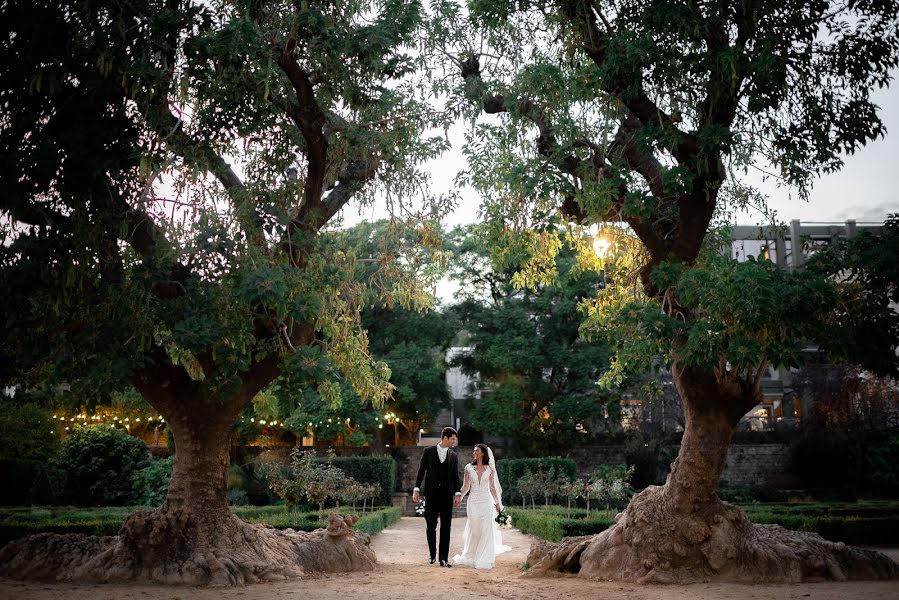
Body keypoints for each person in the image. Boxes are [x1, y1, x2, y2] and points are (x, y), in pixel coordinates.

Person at [452, 443, 511, 569]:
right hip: (473, 501)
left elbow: (492, 488)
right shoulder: (468, 468)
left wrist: (497, 503)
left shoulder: (489, 469)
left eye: (477, 451)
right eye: (474, 451)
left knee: (486, 528)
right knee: (475, 529)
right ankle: (472, 555)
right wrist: (459, 497)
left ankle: (484, 557)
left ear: (483, 453)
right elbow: (466, 486)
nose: (474, 453)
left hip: (485, 501)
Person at [412, 427, 462, 567]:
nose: (454, 441)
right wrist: (416, 489)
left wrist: (457, 494)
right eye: (453, 439)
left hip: (447, 496)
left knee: (446, 526)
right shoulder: (428, 451)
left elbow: (455, 476)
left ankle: (443, 558)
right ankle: (432, 555)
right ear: (445, 438)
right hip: (431, 495)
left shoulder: (453, 455)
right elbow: (421, 471)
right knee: (431, 526)